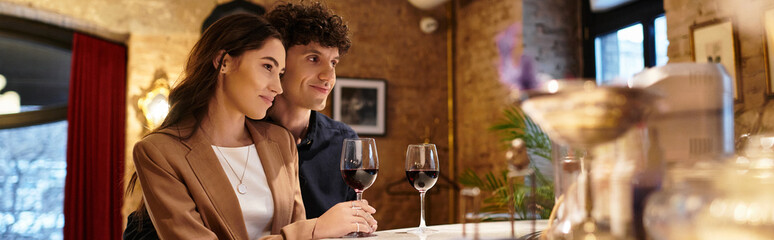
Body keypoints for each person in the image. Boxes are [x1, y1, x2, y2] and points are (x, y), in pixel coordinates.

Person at [124, 14, 376, 239]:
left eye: (279, 73)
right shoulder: (159, 151)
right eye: (267, 67)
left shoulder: (281, 141)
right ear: (223, 62)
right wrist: (314, 229)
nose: (277, 87)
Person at [263, 2, 359, 220]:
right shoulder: (241, 138)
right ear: (278, 62)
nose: (329, 76)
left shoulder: (344, 142)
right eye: (314, 59)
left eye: (333, 62)